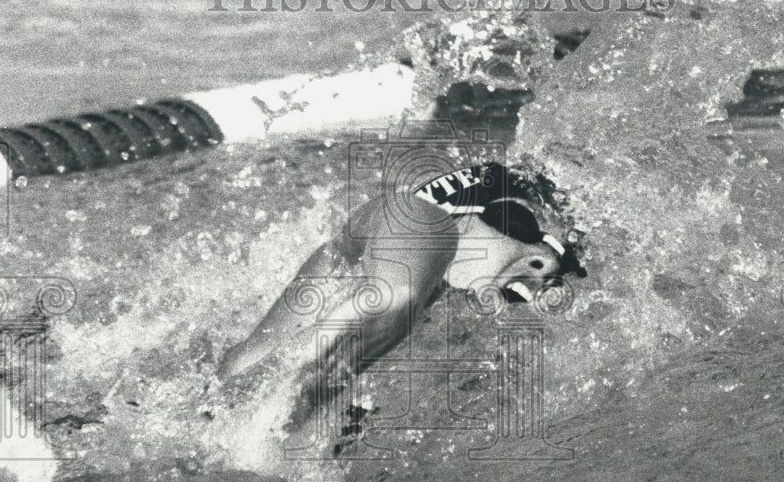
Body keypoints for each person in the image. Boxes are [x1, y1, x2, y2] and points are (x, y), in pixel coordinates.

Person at [217, 161, 585, 427]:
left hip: (371, 227)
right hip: (415, 221)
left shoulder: (516, 201)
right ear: (540, 261)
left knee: (245, 363)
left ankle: (223, 417)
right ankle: (270, 425)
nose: (529, 297)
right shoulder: (539, 229)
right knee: (395, 303)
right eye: (540, 287)